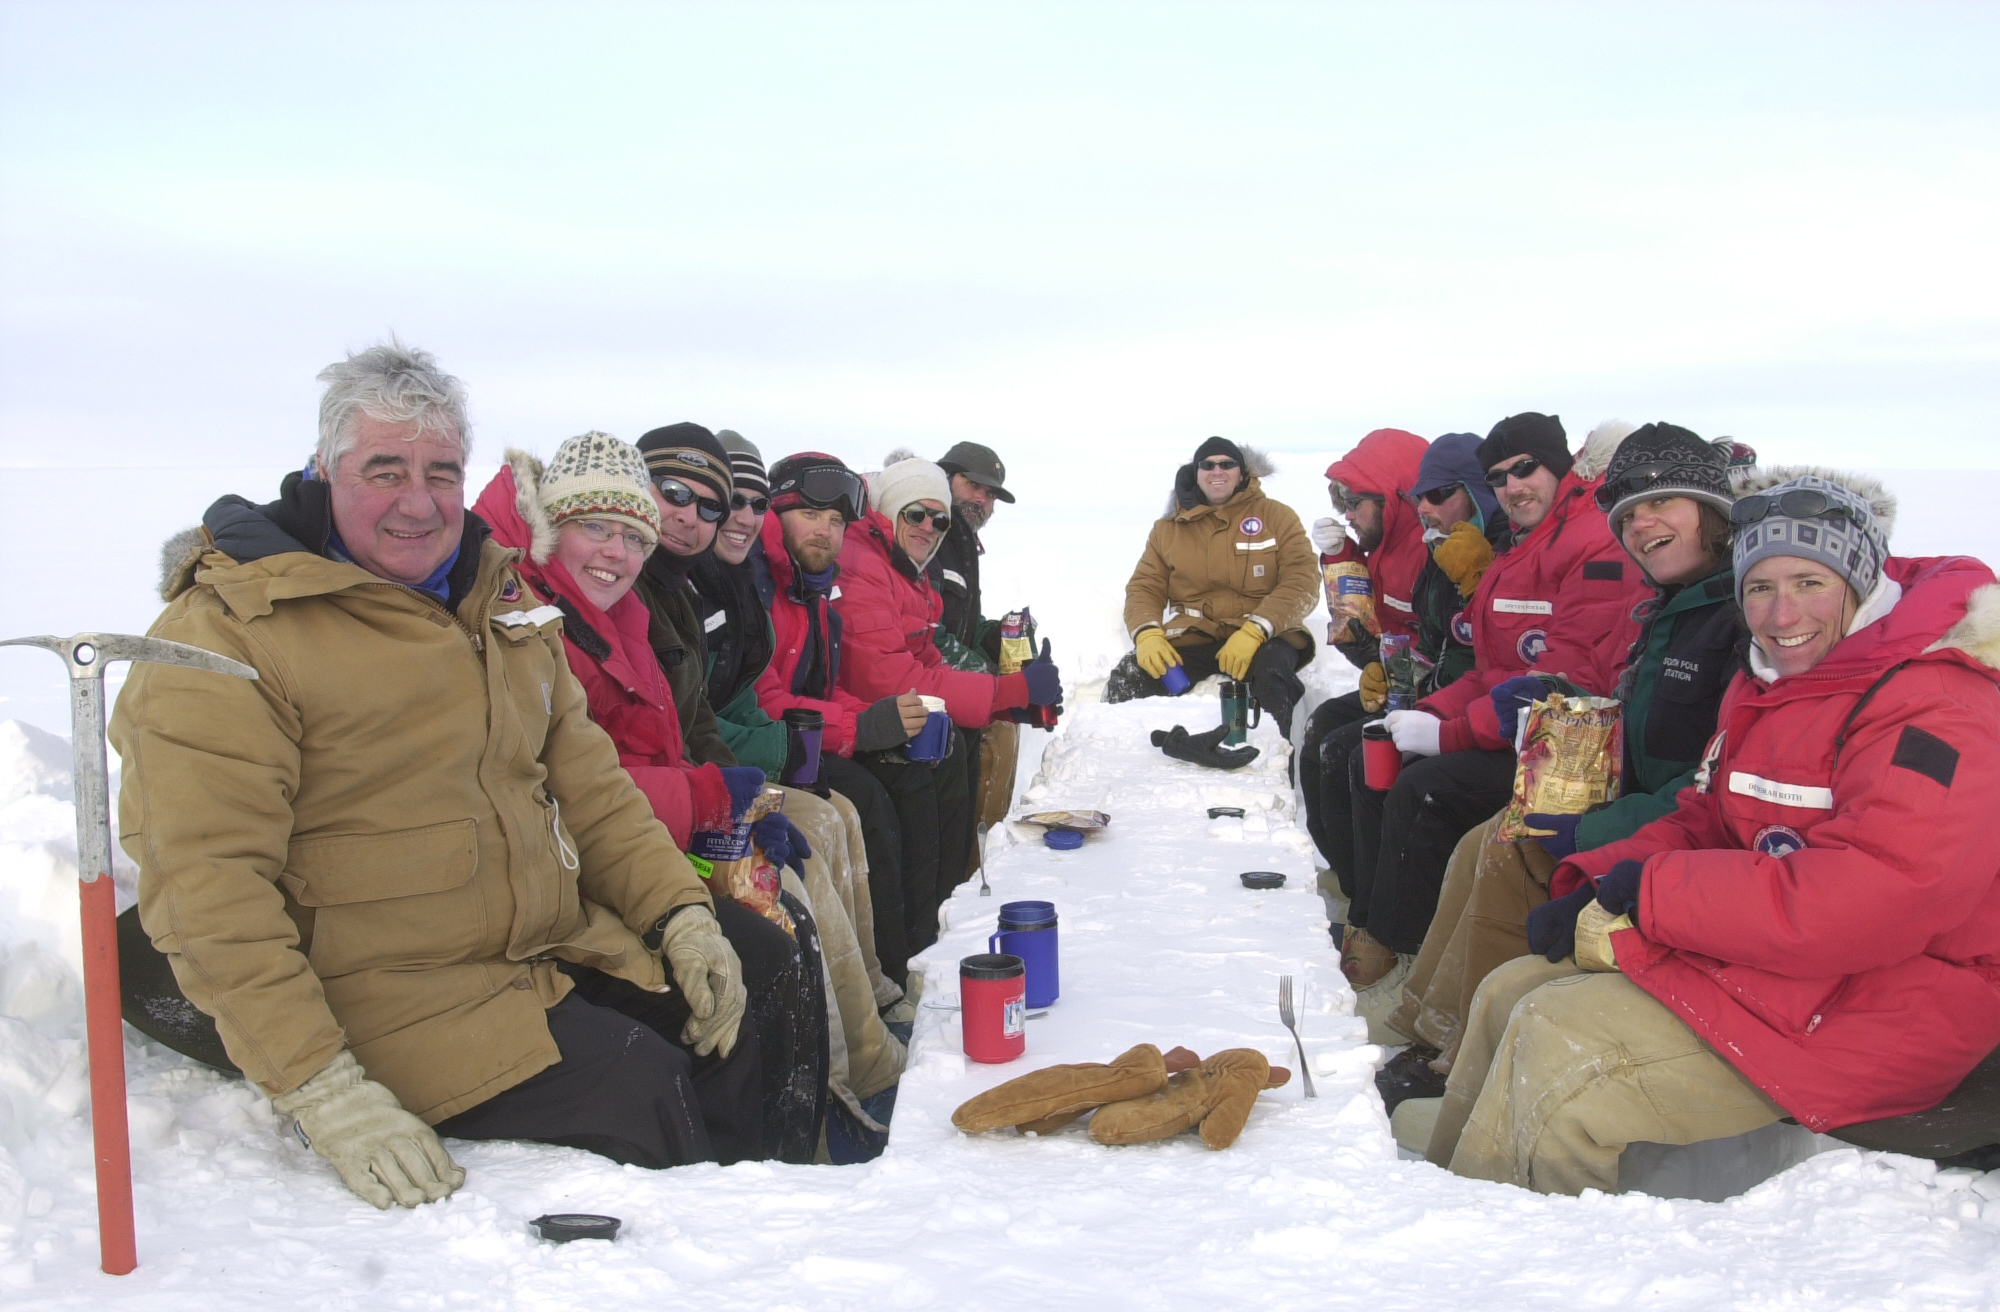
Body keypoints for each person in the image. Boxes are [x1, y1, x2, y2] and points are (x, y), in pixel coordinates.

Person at [110, 343, 769, 1209]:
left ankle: (778, 1222)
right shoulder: (227, 635)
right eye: (384, 471)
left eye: (441, 472)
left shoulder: (495, 606)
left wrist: (678, 914)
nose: (417, 504)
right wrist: (320, 1087)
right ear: (322, 469)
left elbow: (595, 792)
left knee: (746, 980)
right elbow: (207, 888)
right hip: (380, 989)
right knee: (639, 1090)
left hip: (529, 942)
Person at [1430, 471, 2000, 1195]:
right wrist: (1607, 875)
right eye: (1759, 587)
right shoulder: (1776, 681)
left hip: (1897, 1003)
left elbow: (1881, 898)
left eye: (1809, 582)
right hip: (1799, 970)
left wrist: (1654, 892)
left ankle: (1525, 1248)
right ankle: (1456, 1183)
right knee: (1512, 988)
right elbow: (1709, 816)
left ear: (1860, 586)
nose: (1780, 611)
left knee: (1560, 1046)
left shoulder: (1936, 706)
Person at [1377, 424, 1749, 1110]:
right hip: (1624, 794)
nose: (1641, 526)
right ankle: (1431, 1022)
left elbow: (1712, 775)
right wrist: (1543, 702)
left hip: (1669, 831)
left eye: (1662, 504)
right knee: (1487, 841)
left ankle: (1461, 1053)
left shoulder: (1733, 616)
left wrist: (1599, 820)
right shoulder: (1662, 604)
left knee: (1476, 827)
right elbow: (1591, 677)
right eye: (1628, 513)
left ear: (1714, 512)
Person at [619, 425, 908, 1128]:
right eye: (681, 497)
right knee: (812, 845)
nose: (730, 518)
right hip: (662, 813)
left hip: (702, 785)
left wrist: (751, 773)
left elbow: (723, 709)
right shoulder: (667, 589)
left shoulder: (701, 588)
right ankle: (838, 1080)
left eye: (730, 504)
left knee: (835, 810)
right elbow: (719, 716)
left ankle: (870, 1006)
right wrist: (761, 772)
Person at [1339, 415, 1650, 997]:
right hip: (1520, 724)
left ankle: (1407, 953)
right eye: (1500, 477)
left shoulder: (1589, 545)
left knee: (1426, 790)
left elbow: (1566, 682)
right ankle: (1380, 922)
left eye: (1525, 469)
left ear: (1559, 466)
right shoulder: (1520, 545)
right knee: (1369, 752)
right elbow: (1491, 667)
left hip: (1571, 747)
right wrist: (1434, 711)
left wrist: (1450, 733)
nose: (1513, 487)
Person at [835, 453, 1064, 936]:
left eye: (937, 518)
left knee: (959, 745)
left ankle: (948, 901)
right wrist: (1007, 688)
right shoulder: (868, 564)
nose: (929, 525)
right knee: (933, 765)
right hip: (856, 716)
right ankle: (920, 930)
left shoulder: (914, 562)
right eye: (916, 514)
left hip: (896, 706)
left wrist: (1009, 698)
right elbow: (892, 676)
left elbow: (931, 649)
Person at [752, 452, 943, 976]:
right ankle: (884, 972)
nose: (825, 531)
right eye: (811, 515)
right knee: (866, 802)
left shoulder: (811, 588)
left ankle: (918, 945)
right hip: (764, 744)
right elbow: (763, 697)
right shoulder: (762, 584)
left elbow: (824, 687)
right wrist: (863, 725)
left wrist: (877, 718)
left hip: (800, 732)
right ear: (778, 511)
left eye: (837, 521)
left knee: (911, 771)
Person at [1301, 431, 1500, 899]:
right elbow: (1371, 623)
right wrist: (1341, 560)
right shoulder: (1392, 545)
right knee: (1326, 730)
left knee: (1354, 753)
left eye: (1354, 501)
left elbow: (1462, 642)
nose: (1346, 515)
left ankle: (1372, 905)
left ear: (1391, 498)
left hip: (1445, 693)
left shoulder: (1434, 550)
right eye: (1340, 501)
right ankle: (1352, 884)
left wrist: (1396, 672)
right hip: (1412, 681)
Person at [1108, 437, 1319, 735]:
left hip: (1263, 637)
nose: (1217, 471)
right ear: (1195, 473)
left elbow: (1303, 580)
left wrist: (1256, 629)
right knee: (1131, 676)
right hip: (1197, 634)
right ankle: (1122, 757)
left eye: (1227, 464)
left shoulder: (1276, 516)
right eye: (1207, 465)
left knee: (1271, 678)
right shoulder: (1167, 528)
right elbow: (1145, 586)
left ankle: (1271, 766)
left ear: (1243, 472)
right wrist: (1147, 634)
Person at [928, 440, 1027, 829]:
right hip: (920, 689)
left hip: (943, 679)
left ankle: (983, 852)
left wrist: (1003, 635)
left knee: (1005, 720)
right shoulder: (928, 534)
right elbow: (928, 633)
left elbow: (963, 624)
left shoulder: (961, 543)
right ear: (945, 477)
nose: (983, 500)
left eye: (991, 495)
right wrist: (991, 675)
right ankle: (978, 862)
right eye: (974, 486)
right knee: (999, 724)